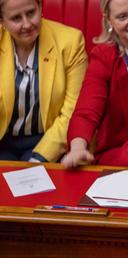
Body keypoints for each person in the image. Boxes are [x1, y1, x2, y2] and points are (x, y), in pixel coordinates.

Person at [61, 0, 128, 168]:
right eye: (122, 16)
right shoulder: (103, 56)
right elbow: (87, 110)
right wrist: (77, 148)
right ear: (109, 21)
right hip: (119, 155)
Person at [0, 0, 87, 162]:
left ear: (40, 8)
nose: (27, 24)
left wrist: (39, 158)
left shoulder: (71, 42)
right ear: (2, 21)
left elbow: (72, 110)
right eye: (16, 18)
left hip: (46, 141)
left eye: (31, 13)